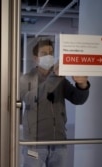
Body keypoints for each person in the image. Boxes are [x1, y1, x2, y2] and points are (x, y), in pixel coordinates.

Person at [20, 39, 90, 167]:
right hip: (34, 145)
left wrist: (82, 85)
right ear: (35, 58)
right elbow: (32, 99)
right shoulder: (26, 79)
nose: (48, 56)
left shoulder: (59, 79)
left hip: (58, 143)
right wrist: (55, 77)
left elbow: (78, 99)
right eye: (43, 53)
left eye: (51, 52)